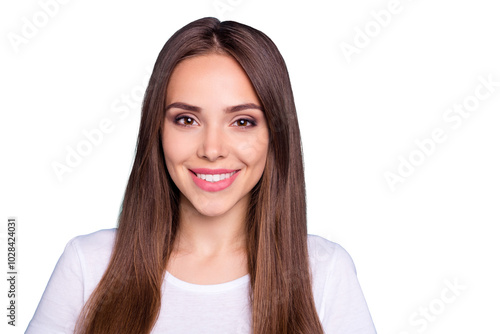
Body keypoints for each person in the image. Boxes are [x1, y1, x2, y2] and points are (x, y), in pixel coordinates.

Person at [26, 17, 376, 334]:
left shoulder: (326, 274)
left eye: (242, 122)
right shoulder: (88, 265)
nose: (212, 149)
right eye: (186, 119)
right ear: (157, 130)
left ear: (275, 134)